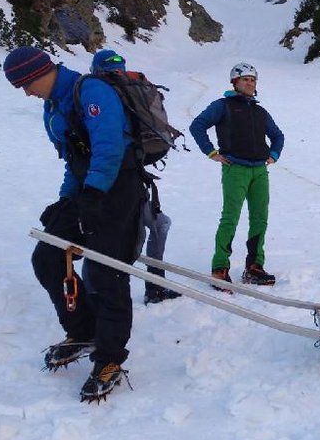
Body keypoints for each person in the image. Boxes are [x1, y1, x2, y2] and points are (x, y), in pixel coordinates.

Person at [3, 46, 148, 402]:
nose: (26, 92)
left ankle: (109, 358)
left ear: (42, 71)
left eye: (25, 83)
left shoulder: (92, 91)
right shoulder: (52, 107)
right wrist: (67, 200)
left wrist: (94, 195)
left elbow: (109, 147)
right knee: (47, 258)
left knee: (106, 272)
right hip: (89, 190)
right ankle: (83, 330)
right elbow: (74, 160)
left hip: (118, 188)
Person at [89, 49, 181, 305]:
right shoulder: (125, 94)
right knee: (136, 233)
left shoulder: (101, 97)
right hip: (120, 182)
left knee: (152, 226)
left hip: (125, 179)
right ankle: (116, 295)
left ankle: (151, 288)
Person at [189, 62, 284, 286]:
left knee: (260, 218)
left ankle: (254, 266)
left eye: (253, 80)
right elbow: (198, 125)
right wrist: (211, 152)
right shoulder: (223, 106)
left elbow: (278, 135)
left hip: (259, 171)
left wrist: (274, 154)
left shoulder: (260, 111)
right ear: (235, 82)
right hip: (235, 169)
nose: (250, 84)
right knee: (230, 218)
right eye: (245, 80)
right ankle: (220, 268)